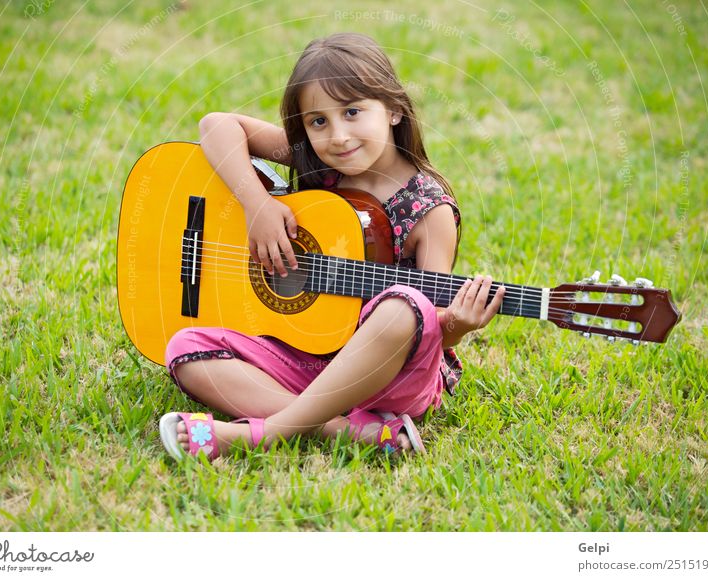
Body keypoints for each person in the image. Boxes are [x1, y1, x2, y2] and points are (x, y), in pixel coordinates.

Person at [159, 32, 505, 461]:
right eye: (318, 121)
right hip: (309, 356)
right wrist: (259, 207)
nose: (338, 136)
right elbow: (215, 125)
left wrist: (459, 324)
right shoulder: (319, 162)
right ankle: (344, 429)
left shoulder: (428, 209)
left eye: (353, 112)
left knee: (404, 305)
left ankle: (261, 435)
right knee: (184, 346)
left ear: (394, 109)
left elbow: (431, 325)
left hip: (388, 376)